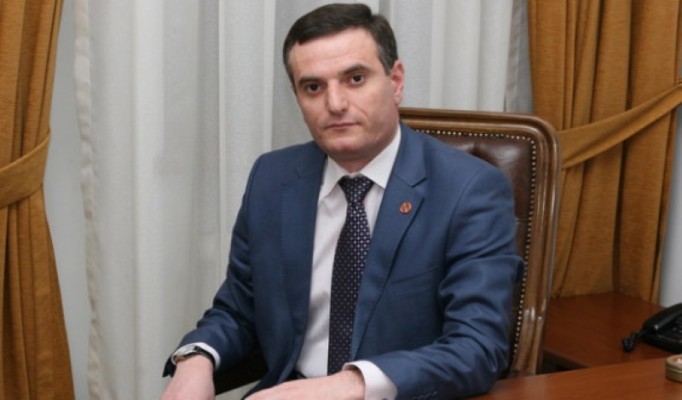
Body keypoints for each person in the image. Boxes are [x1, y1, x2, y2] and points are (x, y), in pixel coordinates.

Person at [161, 3, 521, 400]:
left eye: (355, 78)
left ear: (395, 81)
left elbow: (477, 348)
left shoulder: (469, 190)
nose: (335, 104)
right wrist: (196, 358)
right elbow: (239, 309)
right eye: (313, 87)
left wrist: (348, 385)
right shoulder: (272, 178)